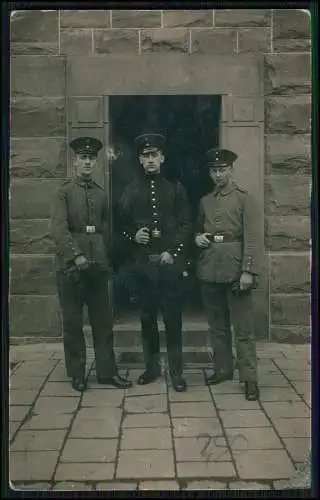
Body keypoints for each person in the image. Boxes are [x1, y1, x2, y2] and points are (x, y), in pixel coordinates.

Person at [49, 136, 132, 392]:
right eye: (83, 158)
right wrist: (76, 255)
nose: (87, 162)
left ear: (96, 162)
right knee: (73, 323)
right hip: (72, 267)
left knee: (103, 322)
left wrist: (106, 258)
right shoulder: (63, 192)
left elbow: (105, 230)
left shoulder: (101, 193)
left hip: (98, 265)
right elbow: (59, 229)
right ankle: (77, 373)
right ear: (75, 162)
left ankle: (107, 372)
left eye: (91, 158)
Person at [117, 132, 192, 392]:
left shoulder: (175, 188)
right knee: (147, 319)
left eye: (154, 155)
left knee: (173, 320)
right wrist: (133, 235)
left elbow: (186, 226)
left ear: (162, 157)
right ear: (139, 159)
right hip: (143, 268)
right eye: (145, 156)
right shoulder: (130, 191)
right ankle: (151, 369)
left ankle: (177, 373)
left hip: (168, 265)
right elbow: (120, 227)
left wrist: (173, 251)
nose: (150, 160)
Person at [195, 148, 260, 401]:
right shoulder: (205, 201)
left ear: (231, 171)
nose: (218, 174)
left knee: (243, 328)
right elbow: (199, 229)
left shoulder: (244, 199)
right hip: (210, 267)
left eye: (222, 170)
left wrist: (248, 271)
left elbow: (253, 238)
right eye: (214, 170)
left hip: (236, 269)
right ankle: (222, 369)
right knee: (217, 326)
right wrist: (197, 238)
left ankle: (249, 378)